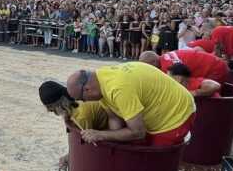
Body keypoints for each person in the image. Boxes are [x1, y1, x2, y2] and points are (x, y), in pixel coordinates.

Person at [65, 61, 195, 146]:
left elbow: (138, 132)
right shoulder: (101, 79)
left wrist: (101, 134)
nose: (84, 102)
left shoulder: (118, 89)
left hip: (177, 115)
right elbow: (114, 117)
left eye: (82, 99)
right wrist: (111, 142)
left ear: (87, 89)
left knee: (152, 161)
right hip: (159, 108)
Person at [140, 48, 230, 85]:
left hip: (216, 69)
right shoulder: (167, 56)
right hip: (217, 63)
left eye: (148, 66)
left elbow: (179, 86)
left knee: (209, 97)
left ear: (154, 62)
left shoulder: (167, 67)